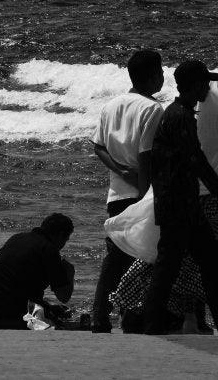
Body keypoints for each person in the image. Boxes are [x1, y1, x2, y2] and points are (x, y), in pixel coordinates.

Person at [90, 49, 164, 333]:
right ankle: (132, 315)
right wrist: (146, 193)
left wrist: (120, 171)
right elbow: (146, 155)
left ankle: (100, 314)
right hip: (142, 193)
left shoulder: (111, 105)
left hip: (116, 194)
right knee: (144, 258)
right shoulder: (151, 108)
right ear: (150, 76)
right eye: (159, 73)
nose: (162, 78)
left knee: (115, 258)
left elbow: (98, 146)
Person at [142, 60, 218, 335]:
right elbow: (195, 159)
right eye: (206, 82)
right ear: (196, 86)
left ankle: (153, 325)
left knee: (205, 262)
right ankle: (151, 325)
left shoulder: (179, 113)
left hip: (184, 205)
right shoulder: (180, 116)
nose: (209, 87)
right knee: (169, 266)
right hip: (179, 207)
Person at [0, 213, 75, 330]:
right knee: (61, 328)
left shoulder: (16, 239)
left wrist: (47, 307)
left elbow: (18, 289)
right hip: (11, 320)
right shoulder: (48, 249)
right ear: (60, 235)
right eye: (66, 239)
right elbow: (64, 296)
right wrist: (69, 272)